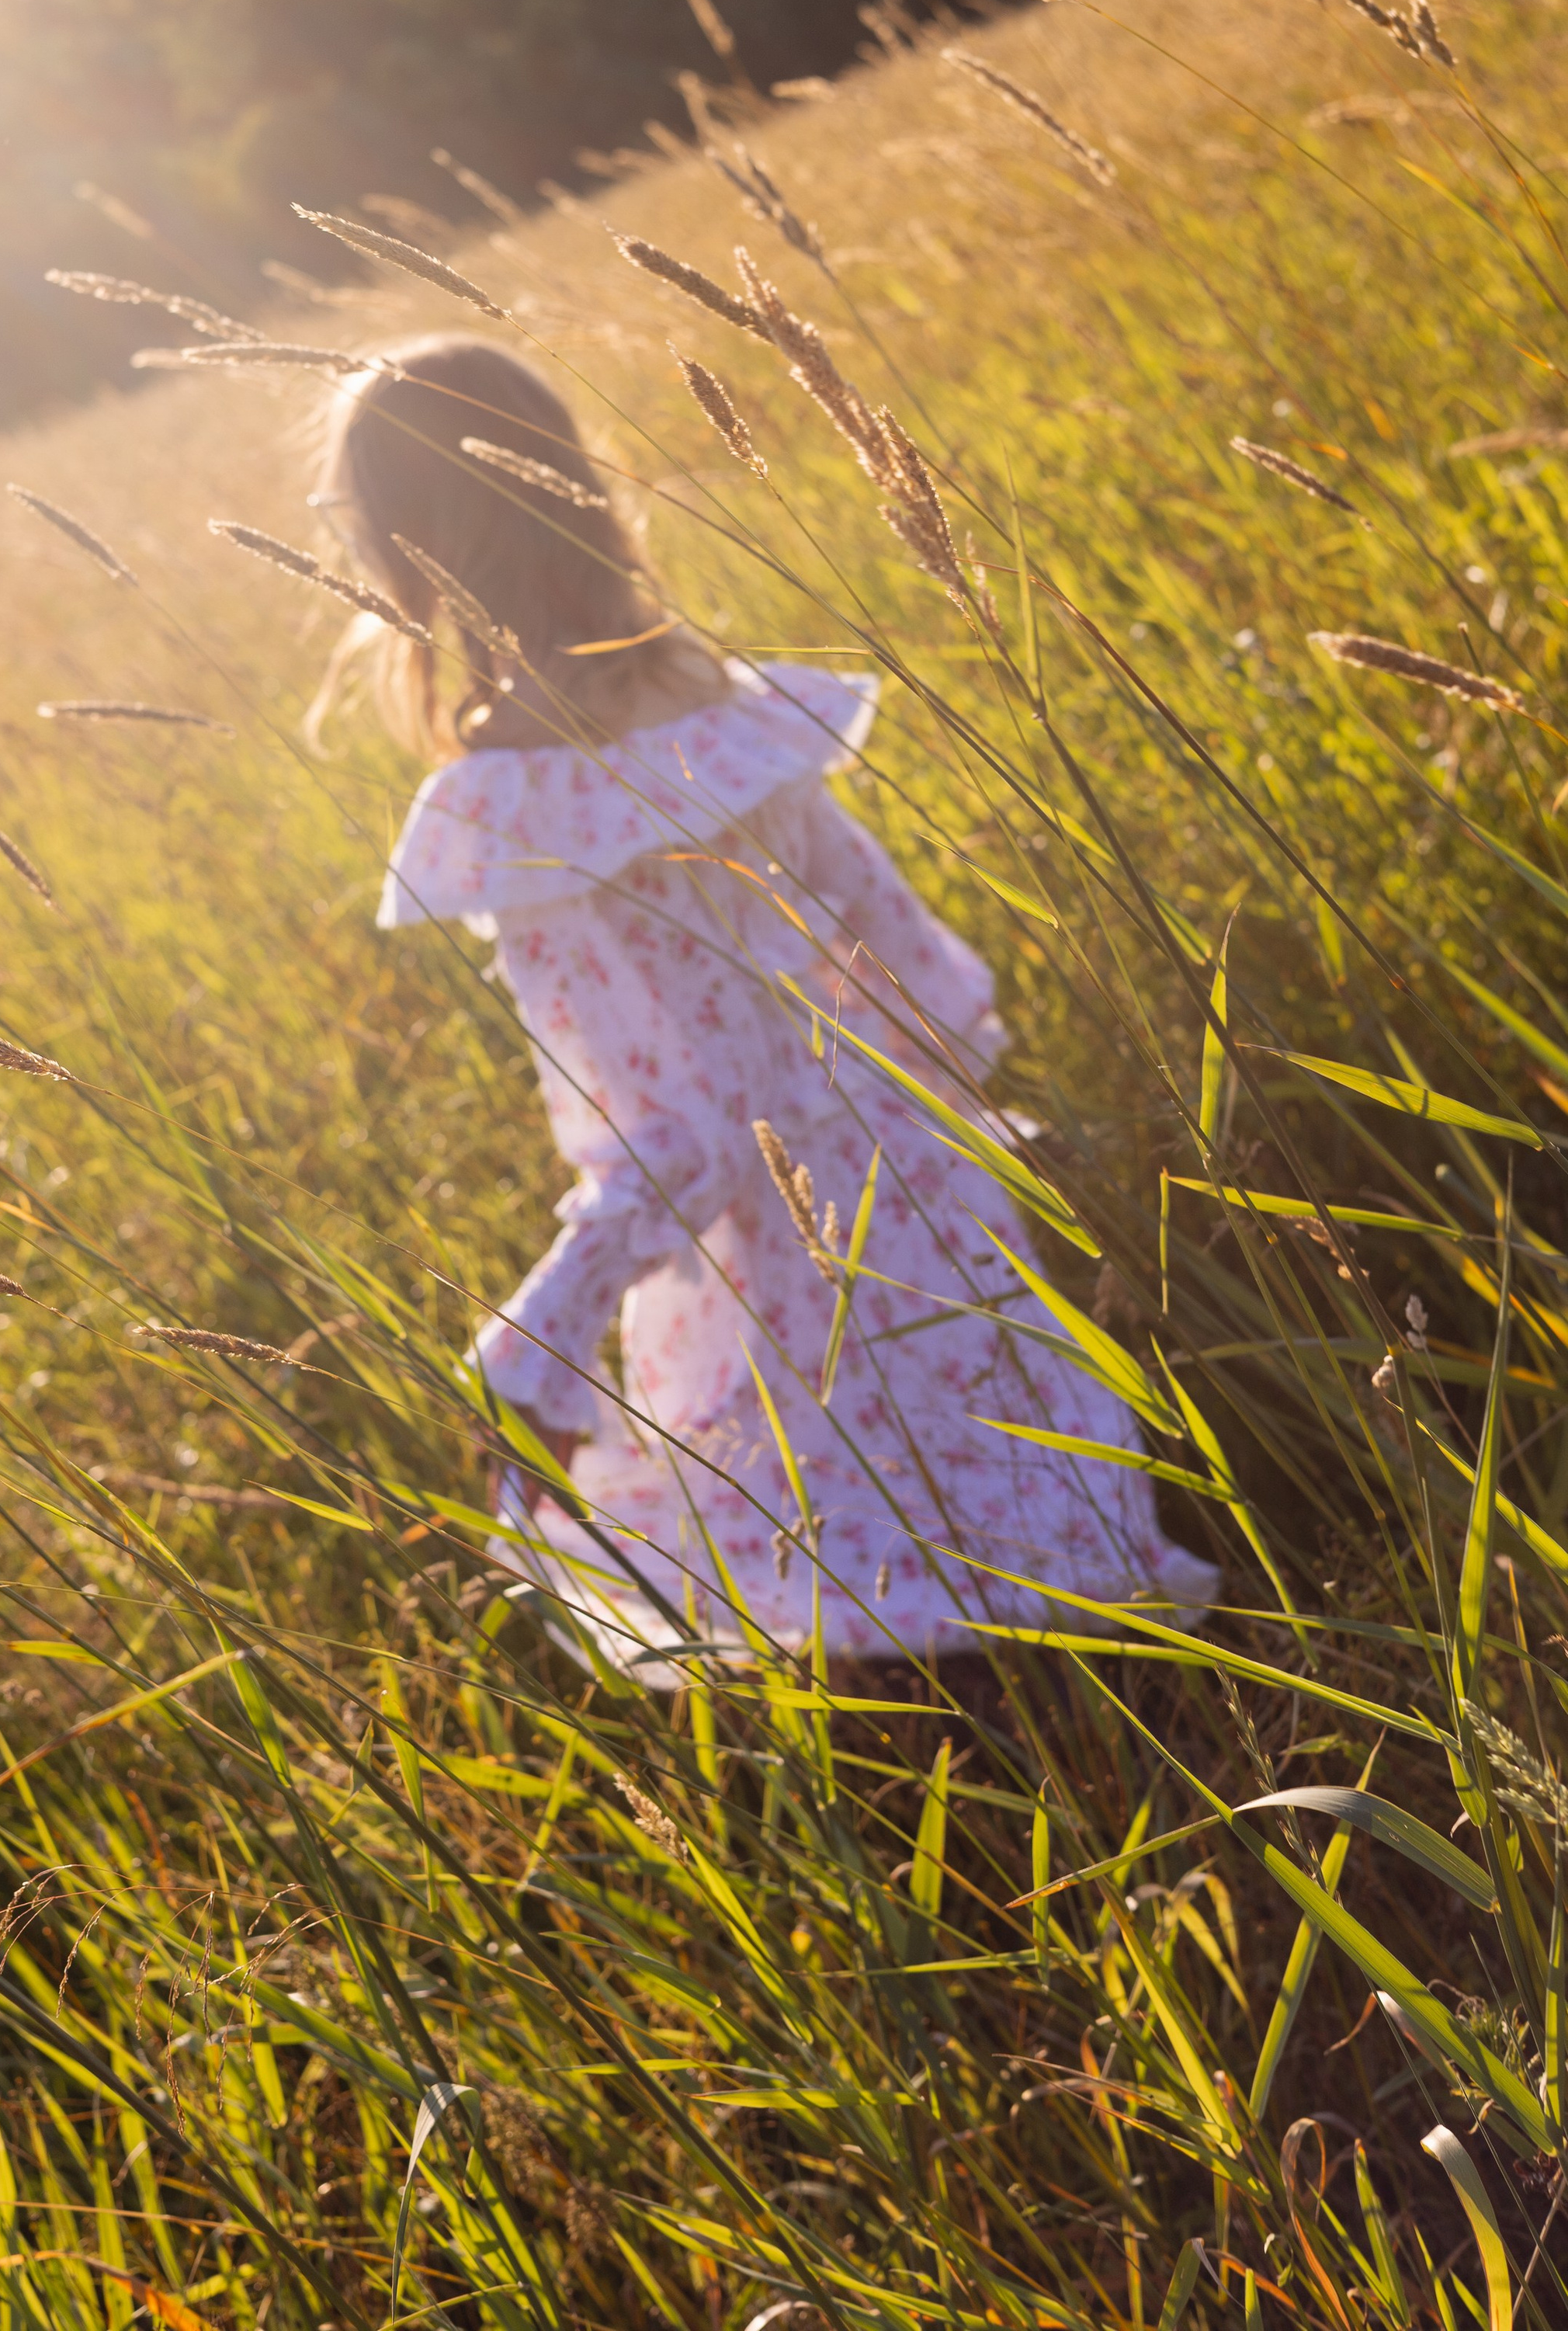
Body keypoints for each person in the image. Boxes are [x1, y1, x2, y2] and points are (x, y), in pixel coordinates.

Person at [312, 333, 1219, 1683]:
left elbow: (675, 1140)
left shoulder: (518, 810)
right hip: (913, 1185)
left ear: (404, 557)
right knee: (1012, 1519)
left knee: (832, 1565)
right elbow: (908, 956)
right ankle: (1100, 1715)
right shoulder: (726, 708)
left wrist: (535, 1348)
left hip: (772, 1252)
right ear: (573, 484)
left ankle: (973, 1767)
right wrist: (950, 1124)